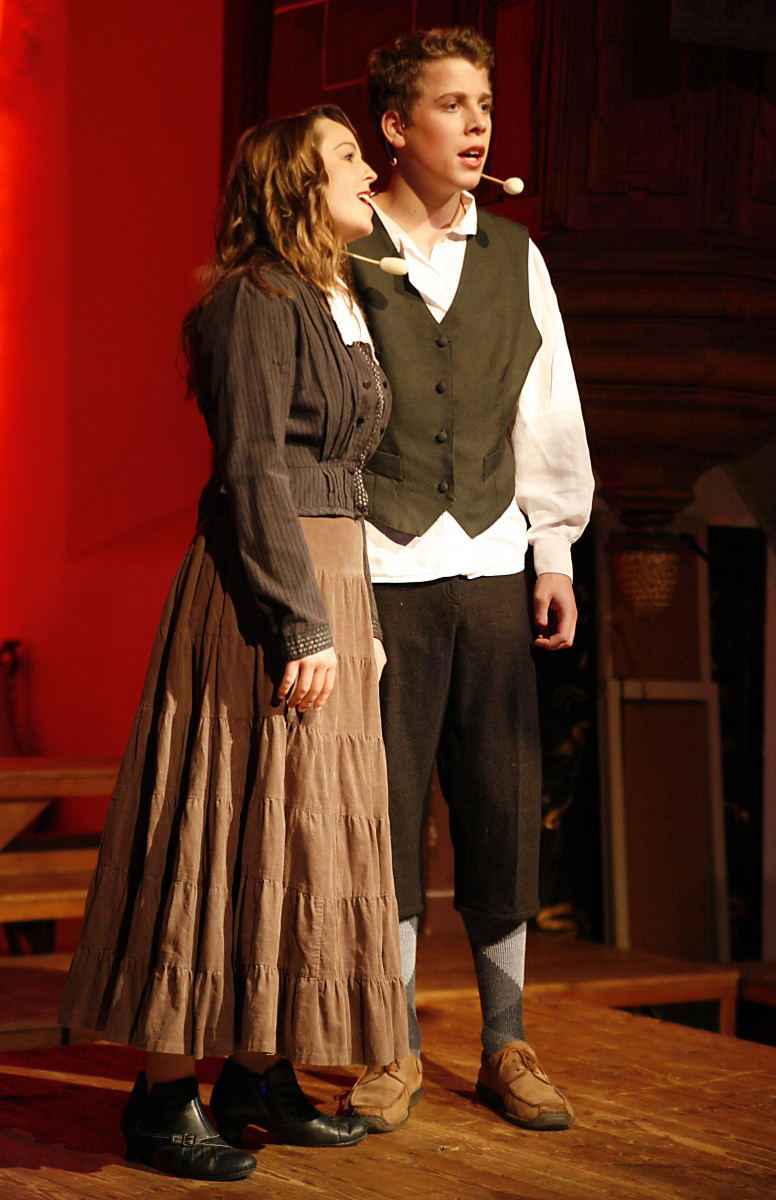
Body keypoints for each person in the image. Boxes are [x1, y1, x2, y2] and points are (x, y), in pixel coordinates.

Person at [58, 106, 409, 1182]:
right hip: (263, 587)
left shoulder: (337, 299)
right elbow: (254, 467)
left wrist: (359, 619)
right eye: (347, 155)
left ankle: (259, 1072)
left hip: (331, 579)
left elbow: (342, 478)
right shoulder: (252, 301)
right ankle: (164, 1095)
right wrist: (302, 618)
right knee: (218, 825)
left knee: (299, 837)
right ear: (294, 183)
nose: (370, 169)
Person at [344, 29, 594, 1134]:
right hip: (384, 561)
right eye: (452, 104)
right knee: (389, 808)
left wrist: (555, 551)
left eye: (484, 103)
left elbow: (547, 406)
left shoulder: (513, 254)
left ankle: (505, 1041)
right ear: (395, 127)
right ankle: (392, 1045)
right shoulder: (346, 246)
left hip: (491, 557)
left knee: (500, 799)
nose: (479, 123)